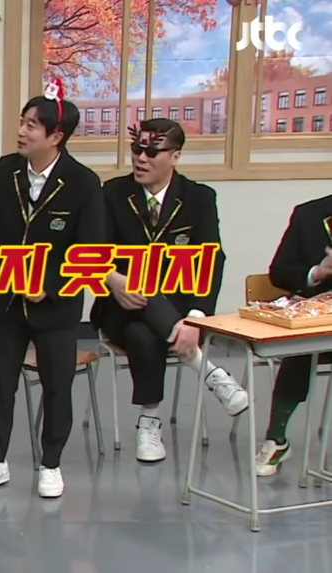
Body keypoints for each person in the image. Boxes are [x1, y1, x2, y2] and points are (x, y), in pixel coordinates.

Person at [0, 79, 104, 498]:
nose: (21, 131)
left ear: (56, 136)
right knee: (0, 379)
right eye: (22, 121)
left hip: (57, 306)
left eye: (32, 125)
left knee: (57, 385)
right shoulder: (7, 170)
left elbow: (91, 251)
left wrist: (50, 286)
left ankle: (50, 464)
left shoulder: (83, 183)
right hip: (9, 299)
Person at [90, 118, 247, 464]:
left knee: (143, 333)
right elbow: (93, 251)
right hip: (119, 303)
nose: (141, 158)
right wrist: (113, 280)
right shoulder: (112, 193)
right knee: (136, 302)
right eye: (137, 149)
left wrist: (195, 318)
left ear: (175, 156)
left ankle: (149, 421)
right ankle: (207, 370)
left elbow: (212, 259)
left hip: (175, 309)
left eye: (152, 151)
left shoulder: (199, 198)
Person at [255, 195, 332, 475]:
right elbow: (280, 272)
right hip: (316, 322)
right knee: (300, 349)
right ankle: (277, 440)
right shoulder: (309, 215)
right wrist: (318, 272)